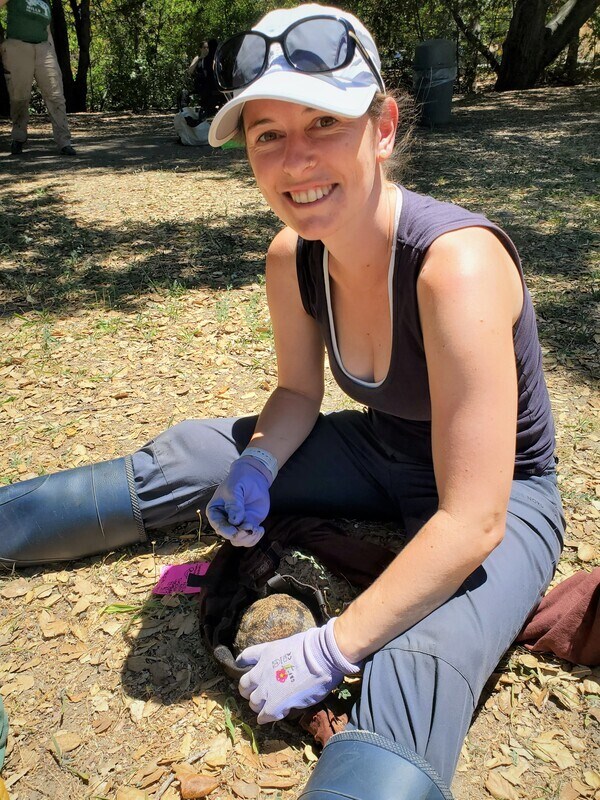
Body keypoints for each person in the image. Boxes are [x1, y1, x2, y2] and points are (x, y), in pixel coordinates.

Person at [0, 4, 565, 798]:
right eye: (267, 135)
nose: (295, 161)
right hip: (382, 450)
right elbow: (299, 391)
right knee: (197, 455)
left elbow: (475, 518)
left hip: (501, 491)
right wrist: (259, 461)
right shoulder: (291, 258)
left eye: (324, 123)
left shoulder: (454, 265)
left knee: (412, 655)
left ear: (382, 127)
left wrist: (333, 648)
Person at [0, 0, 76, 155]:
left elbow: (47, 30)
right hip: (17, 46)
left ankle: (64, 142)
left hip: (44, 48)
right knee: (19, 96)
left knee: (56, 95)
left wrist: (52, 53)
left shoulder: (44, 1)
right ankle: (19, 137)